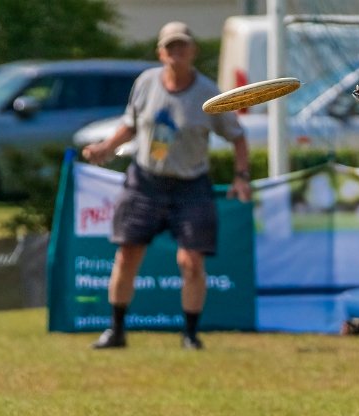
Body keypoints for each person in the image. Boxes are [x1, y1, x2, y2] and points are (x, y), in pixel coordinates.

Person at [82, 21, 251, 350]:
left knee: (191, 262)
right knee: (127, 255)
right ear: (161, 52)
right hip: (144, 181)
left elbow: (238, 136)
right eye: (170, 47)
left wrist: (241, 176)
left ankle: (190, 334)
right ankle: (116, 331)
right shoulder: (146, 83)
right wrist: (105, 147)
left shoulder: (208, 93)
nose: (176, 52)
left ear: (193, 51)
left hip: (190, 185)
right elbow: (129, 125)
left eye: (182, 46)